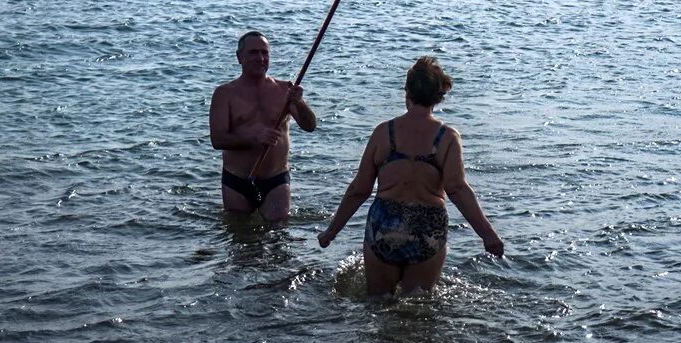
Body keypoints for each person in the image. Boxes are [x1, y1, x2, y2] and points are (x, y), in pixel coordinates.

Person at [318, 56, 503, 296]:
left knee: (377, 303)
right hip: (427, 227)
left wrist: (331, 232)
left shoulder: (384, 132)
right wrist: (487, 234)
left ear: (407, 92)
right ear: (439, 96)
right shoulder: (447, 137)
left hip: (384, 224)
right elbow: (457, 189)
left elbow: (359, 189)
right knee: (417, 307)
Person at [209, 30, 317, 221]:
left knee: (279, 233)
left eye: (264, 53)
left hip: (276, 177)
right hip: (237, 179)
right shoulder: (225, 94)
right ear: (239, 57)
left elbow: (310, 126)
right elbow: (217, 140)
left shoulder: (284, 89)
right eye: (253, 53)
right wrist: (254, 139)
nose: (260, 58)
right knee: (240, 238)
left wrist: (300, 102)